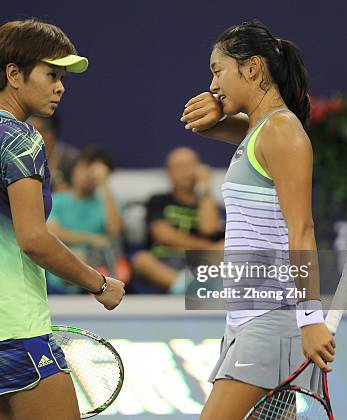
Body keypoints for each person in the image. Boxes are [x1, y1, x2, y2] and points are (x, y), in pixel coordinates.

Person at [0, 19, 125, 420]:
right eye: (51, 74)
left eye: (62, 77)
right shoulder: (22, 139)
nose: (60, 86)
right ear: (14, 75)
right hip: (14, 330)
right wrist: (99, 283)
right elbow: (34, 239)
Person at [180, 20, 335, 419]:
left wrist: (311, 316)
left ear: (252, 68)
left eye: (218, 71)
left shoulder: (283, 132)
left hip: (272, 320)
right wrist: (220, 104)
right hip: (247, 321)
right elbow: (206, 125)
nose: (213, 83)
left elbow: (301, 228)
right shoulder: (261, 131)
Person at [132, 147, 223, 293]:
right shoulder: (158, 200)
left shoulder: (207, 202)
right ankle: (183, 286)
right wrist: (202, 245)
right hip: (164, 260)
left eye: (191, 165)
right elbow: (163, 235)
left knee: (226, 247)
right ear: (169, 173)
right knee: (141, 260)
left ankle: (188, 285)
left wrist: (205, 186)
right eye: (180, 167)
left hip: (201, 264)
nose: (187, 171)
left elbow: (209, 229)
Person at [47, 147, 124, 292]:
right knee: (76, 256)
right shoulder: (56, 199)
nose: (88, 175)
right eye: (84, 168)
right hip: (62, 267)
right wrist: (92, 239)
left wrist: (104, 184)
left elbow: (114, 231)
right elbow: (53, 232)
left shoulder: (109, 202)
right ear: (74, 169)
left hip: (100, 266)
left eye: (93, 171)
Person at [27, 115, 79, 191]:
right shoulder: (19, 159)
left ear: (51, 134)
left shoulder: (73, 160)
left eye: (35, 133)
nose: (29, 138)